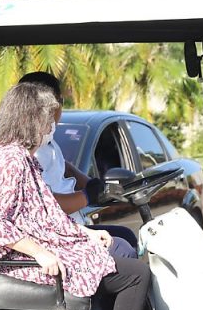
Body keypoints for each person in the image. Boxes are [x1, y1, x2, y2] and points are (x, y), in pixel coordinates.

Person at [0, 82, 183, 310]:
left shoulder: (23, 158)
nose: (50, 127)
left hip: (44, 249)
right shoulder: (11, 160)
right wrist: (40, 252)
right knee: (135, 274)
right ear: (30, 119)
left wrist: (86, 233)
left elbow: (45, 214)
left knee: (122, 260)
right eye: (47, 120)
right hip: (26, 263)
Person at [17, 71, 138, 256]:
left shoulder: (45, 141)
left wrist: (91, 184)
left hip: (64, 228)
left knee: (126, 236)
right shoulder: (25, 150)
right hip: (48, 238)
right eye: (58, 103)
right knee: (123, 250)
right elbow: (45, 204)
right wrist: (87, 196)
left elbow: (62, 165)